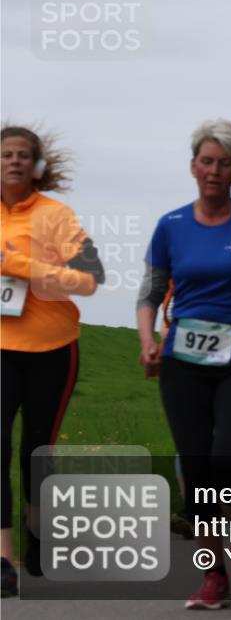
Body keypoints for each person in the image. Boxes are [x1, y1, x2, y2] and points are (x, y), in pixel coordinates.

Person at [137, 119, 231, 608]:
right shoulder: (172, 226)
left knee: (229, 458)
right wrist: (147, 340)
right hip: (184, 360)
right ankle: (213, 576)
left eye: (224, 163)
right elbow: (151, 292)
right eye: (206, 161)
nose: (214, 170)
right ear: (193, 166)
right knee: (197, 466)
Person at [1, 126, 104, 598]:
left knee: (36, 451)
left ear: (38, 166)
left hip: (52, 348)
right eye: (6, 155)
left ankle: (38, 530)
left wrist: (24, 267)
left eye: (24, 155)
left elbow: (89, 279)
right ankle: (3, 560)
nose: (15, 162)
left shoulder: (56, 216)